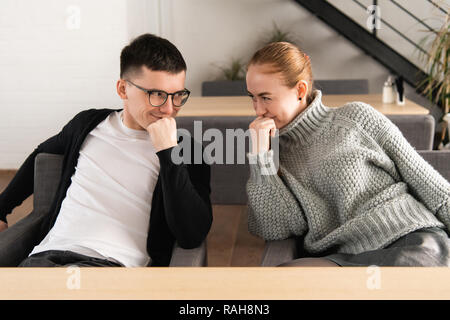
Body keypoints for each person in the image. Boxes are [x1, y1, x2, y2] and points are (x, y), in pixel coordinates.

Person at [0, 33, 212, 267]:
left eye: (177, 95)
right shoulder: (87, 124)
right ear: (123, 90)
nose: (169, 109)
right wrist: (2, 208)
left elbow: (191, 234)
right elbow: (41, 154)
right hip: (46, 258)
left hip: (111, 268)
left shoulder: (187, 150)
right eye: (157, 95)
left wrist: (167, 152)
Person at [245, 41, 450, 267]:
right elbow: (275, 229)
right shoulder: (273, 152)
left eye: (266, 97)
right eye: (253, 98)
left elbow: (431, 187)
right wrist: (260, 158)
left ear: (300, 91)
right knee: (284, 278)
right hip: (345, 259)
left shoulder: (357, 117)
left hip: (408, 239)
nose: (258, 109)